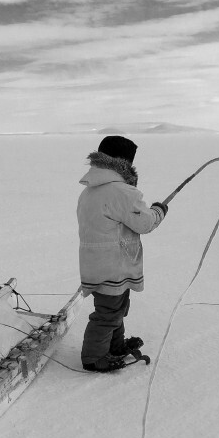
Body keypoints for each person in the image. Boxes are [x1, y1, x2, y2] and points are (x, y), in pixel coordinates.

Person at [76, 135, 168, 372]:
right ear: (125, 162)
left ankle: (114, 346)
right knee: (108, 312)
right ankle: (95, 357)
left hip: (97, 261)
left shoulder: (90, 190)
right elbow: (144, 224)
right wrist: (158, 211)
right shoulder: (122, 192)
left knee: (115, 306)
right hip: (114, 263)